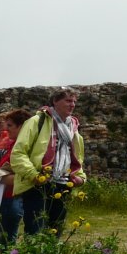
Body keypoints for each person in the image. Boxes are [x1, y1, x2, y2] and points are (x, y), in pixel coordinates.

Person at [10, 88, 86, 237]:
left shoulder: (73, 127)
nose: (72, 105)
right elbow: (18, 154)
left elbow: (76, 157)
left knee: (55, 233)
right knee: (35, 232)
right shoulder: (36, 121)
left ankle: (51, 253)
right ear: (55, 101)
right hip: (38, 185)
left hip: (64, 185)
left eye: (74, 101)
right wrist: (34, 176)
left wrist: (80, 177)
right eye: (68, 100)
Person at [0, 108, 30, 244]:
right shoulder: (13, 144)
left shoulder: (24, 148)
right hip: (1, 198)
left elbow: (23, 177)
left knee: (3, 243)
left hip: (11, 198)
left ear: (21, 126)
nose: (6, 129)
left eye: (10, 125)